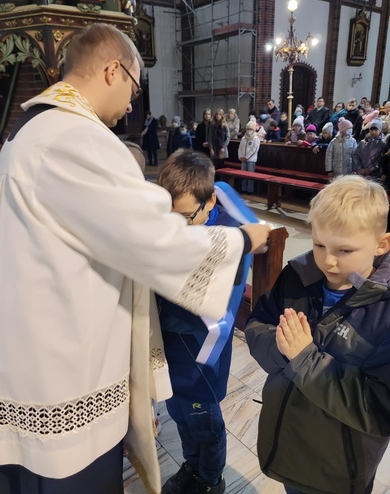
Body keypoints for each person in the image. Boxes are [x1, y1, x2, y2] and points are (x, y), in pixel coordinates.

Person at [0, 23, 271, 494]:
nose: (131, 103)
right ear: (112, 70)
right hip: (66, 367)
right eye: (134, 85)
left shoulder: (27, 137)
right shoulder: (78, 140)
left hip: (34, 350)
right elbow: (157, 242)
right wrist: (245, 239)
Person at [245, 175, 390, 494]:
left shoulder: (383, 311)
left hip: (339, 465)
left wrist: (305, 357)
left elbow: (379, 408)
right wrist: (282, 348)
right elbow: (258, 322)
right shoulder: (299, 275)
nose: (328, 260)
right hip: (288, 440)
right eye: (319, 244)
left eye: (345, 249)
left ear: (381, 244)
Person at [156, 150, 252, 494]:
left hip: (201, 355)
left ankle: (211, 479)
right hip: (170, 351)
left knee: (206, 424)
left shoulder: (230, 237)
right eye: (170, 218)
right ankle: (191, 466)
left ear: (210, 200)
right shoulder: (177, 225)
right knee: (179, 417)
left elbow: (206, 302)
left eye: (185, 216)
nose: (176, 228)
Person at [238, 120, 260, 194]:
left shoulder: (256, 139)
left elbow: (254, 149)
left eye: (250, 129)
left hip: (251, 159)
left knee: (250, 175)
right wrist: (241, 156)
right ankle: (243, 188)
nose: (249, 131)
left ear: (253, 130)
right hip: (243, 159)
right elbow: (240, 148)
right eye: (248, 129)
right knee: (243, 174)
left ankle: (250, 190)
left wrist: (247, 157)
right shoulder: (243, 138)